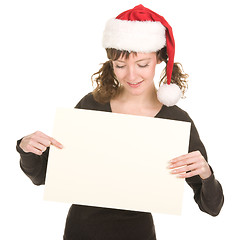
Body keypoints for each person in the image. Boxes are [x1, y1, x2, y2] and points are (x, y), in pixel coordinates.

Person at [16, 4, 224, 240]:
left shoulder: (176, 120)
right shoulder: (92, 105)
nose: (132, 76)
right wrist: (27, 149)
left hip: (138, 234)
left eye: (142, 64)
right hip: (80, 232)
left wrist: (207, 175)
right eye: (120, 66)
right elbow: (44, 176)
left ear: (159, 59)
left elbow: (212, 207)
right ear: (111, 64)